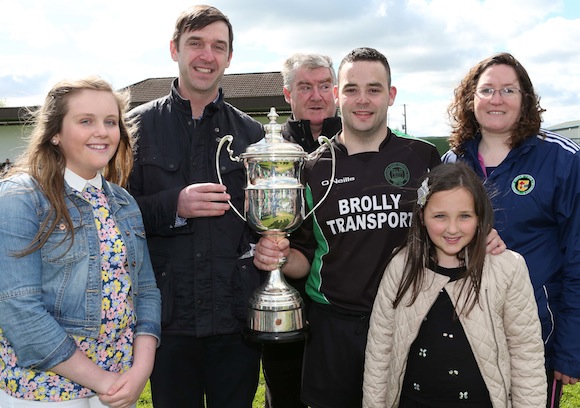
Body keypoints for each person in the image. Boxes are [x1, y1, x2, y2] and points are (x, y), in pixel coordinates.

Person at [127, 5, 265, 408]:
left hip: (234, 319)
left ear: (229, 58)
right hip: (168, 321)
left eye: (218, 46)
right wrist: (174, 204)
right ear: (175, 49)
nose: (207, 55)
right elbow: (114, 217)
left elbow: (260, 220)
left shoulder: (252, 133)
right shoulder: (134, 128)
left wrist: (270, 242)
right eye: (196, 44)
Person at [0, 76, 161, 408]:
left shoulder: (122, 202)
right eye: (85, 121)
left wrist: (141, 369)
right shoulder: (21, 198)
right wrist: (102, 380)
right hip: (44, 392)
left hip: (117, 388)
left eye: (110, 122)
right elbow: (19, 309)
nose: (101, 131)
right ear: (55, 133)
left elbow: (145, 289)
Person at [442, 52, 580, 407]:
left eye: (508, 90)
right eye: (486, 90)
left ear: (526, 99)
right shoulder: (453, 162)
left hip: (536, 335)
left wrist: (570, 347)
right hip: (466, 332)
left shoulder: (563, 160)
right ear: (471, 100)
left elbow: (578, 257)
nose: (496, 99)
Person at [363, 162, 546, 407]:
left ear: (480, 217)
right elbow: (379, 350)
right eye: (440, 216)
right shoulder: (400, 266)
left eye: (465, 216)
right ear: (422, 216)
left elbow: (526, 355)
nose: (452, 229)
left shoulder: (508, 268)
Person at [261, 52, 342, 408]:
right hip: (285, 294)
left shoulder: (357, 145)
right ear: (287, 94)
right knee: (285, 392)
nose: (316, 95)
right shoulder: (269, 151)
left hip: (344, 303)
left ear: (336, 91)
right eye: (305, 87)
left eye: (324, 85)